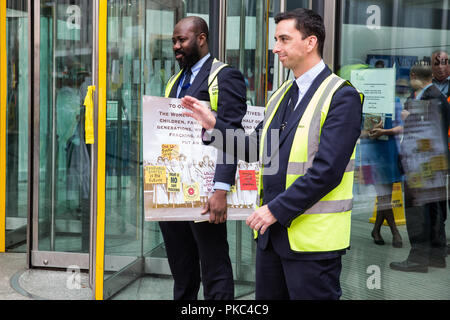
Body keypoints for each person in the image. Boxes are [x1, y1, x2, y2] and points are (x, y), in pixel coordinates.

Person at [182, 8, 363, 300]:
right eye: (275, 39)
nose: (275, 47)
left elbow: (327, 171)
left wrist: (275, 210)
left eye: (283, 39)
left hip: (312, 246)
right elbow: (255, 148)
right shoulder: (280, 95)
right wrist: (213, 124)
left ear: (310, 42)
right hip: (271, 238)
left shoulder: (342, 96)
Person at [158, 16, 247, 300]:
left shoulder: (224, 76)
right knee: (182, 269)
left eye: (182, 40)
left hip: (207, 191)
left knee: (214, 267)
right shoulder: (174, 80)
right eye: (174, 41)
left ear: (201, 38)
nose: (176, 46)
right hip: (174, 192)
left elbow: (233, 134)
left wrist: (221, 189)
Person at [390, 64, 449, 272]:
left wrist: (410, 116)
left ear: (413, 76)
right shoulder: (432, 95)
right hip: (431, 162)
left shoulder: (431, 97)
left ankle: (418, 259)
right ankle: (436, 254)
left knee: (418, 211)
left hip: (422, 162)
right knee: (432, 209)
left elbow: (428, 124)